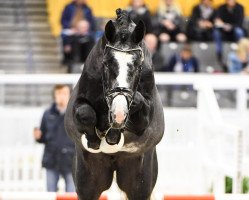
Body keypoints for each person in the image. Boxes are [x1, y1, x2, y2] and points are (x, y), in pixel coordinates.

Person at [33, 84, 75, 192]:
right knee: (50, 194)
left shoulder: (75, 114)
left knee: (71, 196)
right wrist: (38, 137)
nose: (62, 96)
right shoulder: (47, 114)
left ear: (70, 95)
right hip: (51, 160)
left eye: (65, 93)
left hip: (70, 161)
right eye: (59, 93)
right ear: (54, 96)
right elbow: (43, 137)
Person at [213, 0, 245, 69]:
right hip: (223, 30)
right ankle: (219, 53)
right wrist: (223, 25)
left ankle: (241, 52)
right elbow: (217, 21)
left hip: (235, 29)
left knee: (239, 31)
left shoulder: (240, 8)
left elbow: (240, 22)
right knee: (216, 33)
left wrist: (231, 26)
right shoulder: (221, 8)